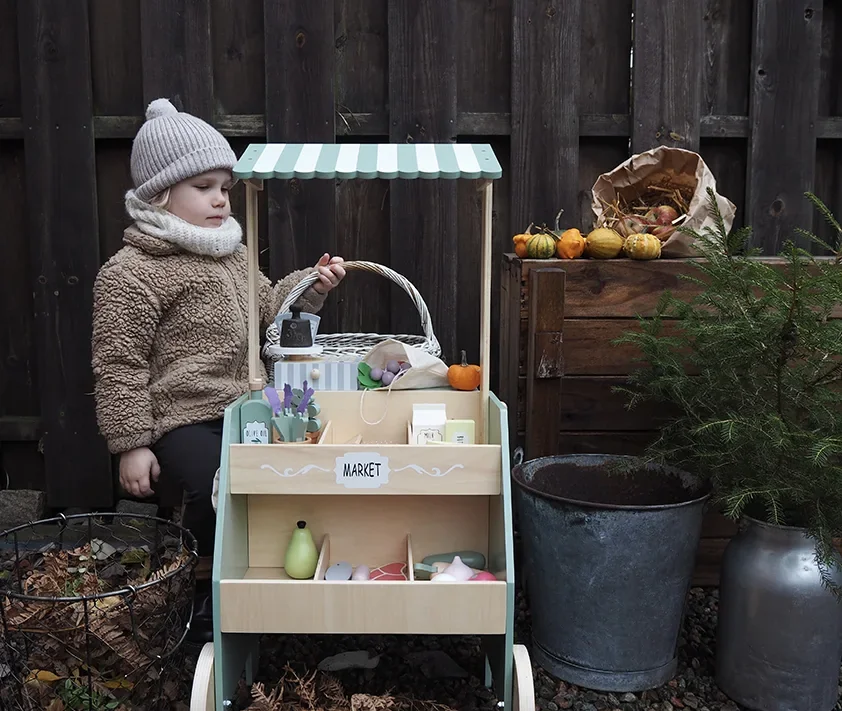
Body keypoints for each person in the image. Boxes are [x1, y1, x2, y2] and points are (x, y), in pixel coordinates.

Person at [91, 98, 345, 642]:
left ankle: (279, 574)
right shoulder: (132, 272)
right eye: (203, 187)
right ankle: (211, 592)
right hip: (184, 417)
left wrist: (310, 285)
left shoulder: (232, 254)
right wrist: (131, 444)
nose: (220, 199)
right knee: (221, 484)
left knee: (286, 473)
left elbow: (269, 308)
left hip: (248, 404)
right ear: (160, 193)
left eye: (226, 188)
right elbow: (118, 363)